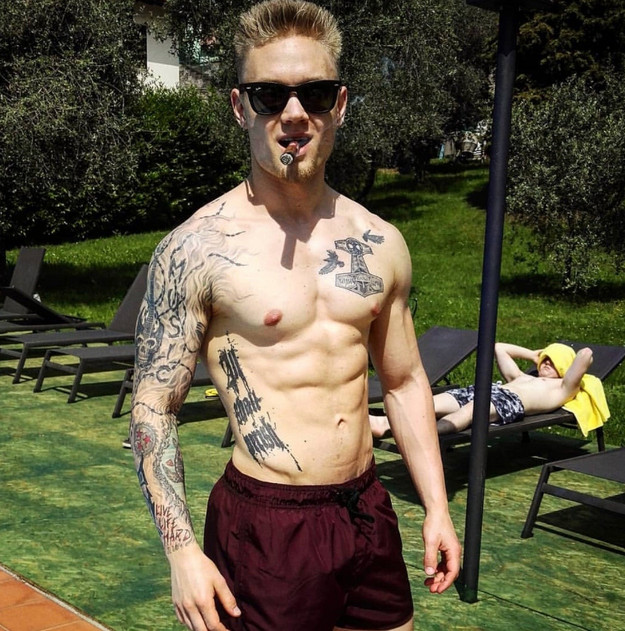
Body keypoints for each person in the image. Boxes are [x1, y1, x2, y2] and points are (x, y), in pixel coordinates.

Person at [130, 2, 461, 630]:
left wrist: (437, 507)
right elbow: (153, 408)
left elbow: (403, 381)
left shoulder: (381, 241)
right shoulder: (195, 248)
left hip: (366, 507)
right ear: (240, 107)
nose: (292, 113)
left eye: (314, 93)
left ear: (340, 104)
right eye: (269, 95)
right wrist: (181, 551)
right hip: (266, 525)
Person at [370, 342, 596, 438]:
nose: (546, 362)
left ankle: (412, 434)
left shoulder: (563, 388)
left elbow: (585, 355)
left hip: (509, 402)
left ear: (565, 367)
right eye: (545, 358)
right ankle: (384, 423)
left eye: (552, 361)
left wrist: (566, 365)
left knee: (468, 412)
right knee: (428, 402)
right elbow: (499, 348)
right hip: (486, 390)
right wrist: (533, 355)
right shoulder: (520, 376)